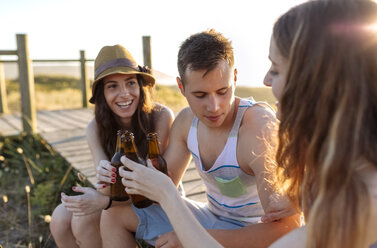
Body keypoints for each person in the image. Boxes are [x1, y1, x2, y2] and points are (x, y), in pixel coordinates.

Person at [100, 29, 300, 248]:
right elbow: (158, 193)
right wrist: (114, 180)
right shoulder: (187, 122)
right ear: (181, 87)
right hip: (211, 217)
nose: (214, 107)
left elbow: (287, 230)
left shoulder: (257, 129)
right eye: (200, 95)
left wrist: (190, 238)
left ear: (234, 77)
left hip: (252, 229)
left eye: (223, 91)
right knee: (114, 215)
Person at [264, 0, 377, 247]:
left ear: (314, 83)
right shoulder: (339, 160)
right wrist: (296, 198)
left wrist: (168, 195)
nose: (265, 80)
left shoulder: (357, 207)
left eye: (275, 69)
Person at [49, 44, 174, 248]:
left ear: (141, 86)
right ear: (102, 94)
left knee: (83, 219)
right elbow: (106, 188)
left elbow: (156, 187)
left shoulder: (161, 116)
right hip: (119, 196)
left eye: (131, 83)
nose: (124, 94)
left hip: (156, 200)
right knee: (59, 218)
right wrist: (104, 177)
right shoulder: (95, 128)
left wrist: (103, 198)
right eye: (113, 86)